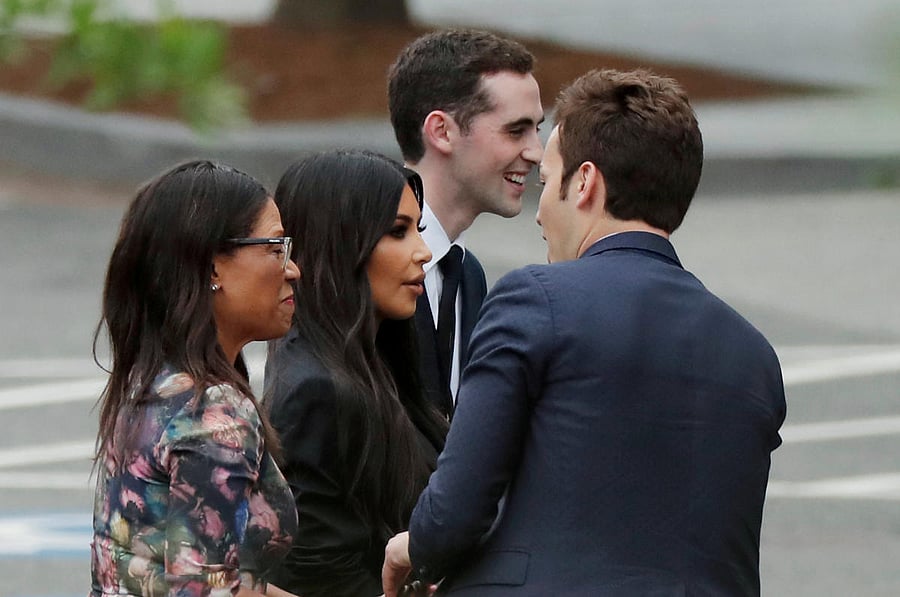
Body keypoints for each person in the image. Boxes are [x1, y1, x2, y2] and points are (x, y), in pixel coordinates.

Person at [382, 69, 787, 596]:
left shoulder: (536, 300)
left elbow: (457, 509)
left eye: (547, 184)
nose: (540, 213)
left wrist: (409, 549)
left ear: (585, 182)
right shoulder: (753, 354)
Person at [90, 160, 302, 596]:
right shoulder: (213, 411)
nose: (292, 268)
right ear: (211, 268)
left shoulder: (152, 382)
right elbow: (205, 590)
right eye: (275, 247)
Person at [264, 150, 449, 597]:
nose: (423, 253)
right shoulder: (317, 389)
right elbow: (318, 577)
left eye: (418, 230)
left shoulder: (374, 359)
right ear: (341, 243)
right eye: (398, 232)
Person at [387, 29, 544, 417]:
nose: (536, 153)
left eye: (536, 129)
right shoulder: (367, 263)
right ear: (442, 131)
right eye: (515, 130)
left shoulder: (468, 276)